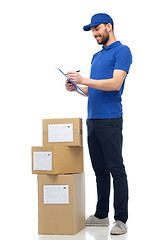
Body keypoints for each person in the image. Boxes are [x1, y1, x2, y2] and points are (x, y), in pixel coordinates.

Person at [65, 13, 132, 235]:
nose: (94, 34)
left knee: (116, 169)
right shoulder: (96, 56)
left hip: (111, 120)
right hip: (93, 120)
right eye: (92, 31)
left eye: (97, 29)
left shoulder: (122, 51)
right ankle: (102, 215)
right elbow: (93, 89)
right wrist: (77, 87)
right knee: (99, 170)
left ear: (109, 27)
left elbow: (114, 84)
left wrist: (84, 80)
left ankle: (120, 220)